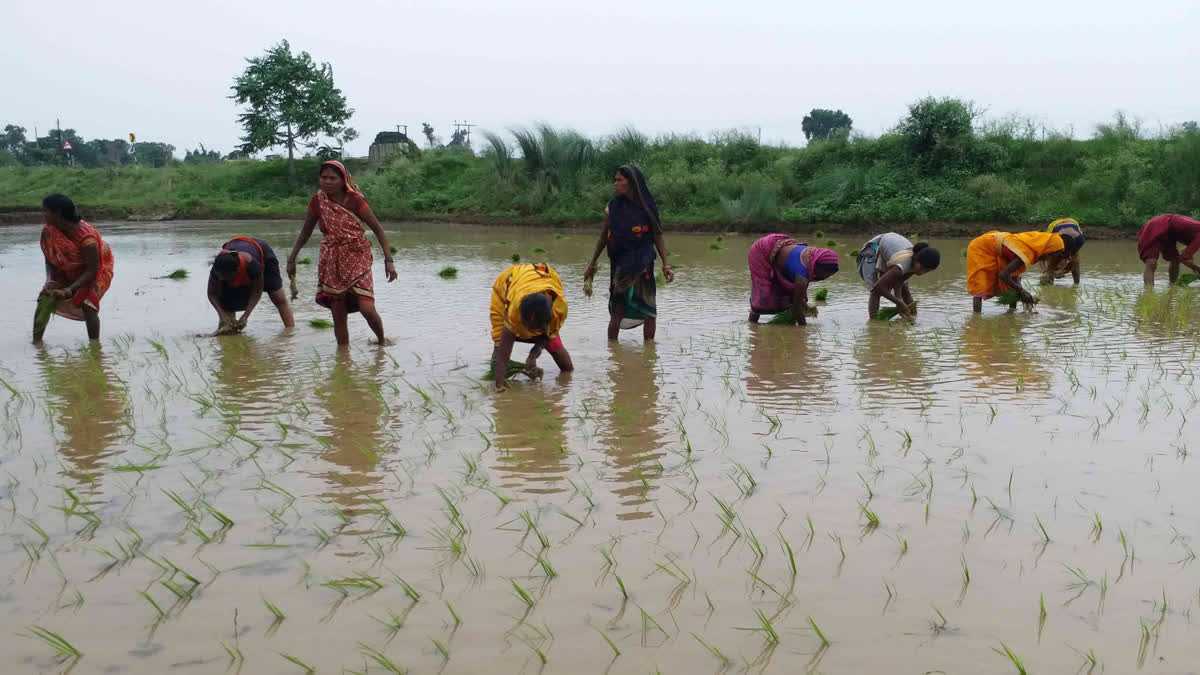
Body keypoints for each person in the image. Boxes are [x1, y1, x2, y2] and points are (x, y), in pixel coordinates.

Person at [285, 161, 397, 346]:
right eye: (323, 178)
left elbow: (378, 229)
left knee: (366, 307)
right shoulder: (317, 201)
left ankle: (381, 341)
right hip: (331, 259)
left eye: (332, 178)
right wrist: (292, 258)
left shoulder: (355, 200)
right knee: (338, 312)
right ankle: (343, 357)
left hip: (357, 255)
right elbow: (305, 232)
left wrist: (389, 260)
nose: (327, 182)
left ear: (342, 180)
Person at [583, 165, 673, 341]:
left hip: (643, 263)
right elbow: (604, 235)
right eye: (615, 180)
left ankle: (649, 352)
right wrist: (592, 263)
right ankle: (613, 355)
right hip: (620, 264)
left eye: (619, 180)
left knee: (649, 311)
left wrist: (666, 264)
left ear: (631, 182)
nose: (615, 184)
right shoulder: (613, 206)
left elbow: (657, 234)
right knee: (617, 311)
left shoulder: (647, 206)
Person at [34, 194, 115, 342]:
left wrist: (70, 289)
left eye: (45, 211)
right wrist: (50, 280)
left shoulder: (86, 237)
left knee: (88, 304)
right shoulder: (49, 232)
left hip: (97, 269)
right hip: (66, 268)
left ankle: (95, 348)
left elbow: (92, 270)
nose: (42, 214)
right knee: (45, 297)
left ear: (57, 213)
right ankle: (36, 343)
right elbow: (50, 259)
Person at [490, 263, 574, 391]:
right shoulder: (513, 311)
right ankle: (496, 378)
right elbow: (504, 352)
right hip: (508, 283)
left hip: (545, 277)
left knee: (565, 364)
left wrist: (533, 355)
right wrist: (498, 387)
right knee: (499, 347)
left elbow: (547, 334)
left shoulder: (558, 311)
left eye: (535, 328)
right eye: (525, 325)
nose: (528, 332)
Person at [965, 230, 1078, 312]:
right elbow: (1003, 275)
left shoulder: (1034, 249)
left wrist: (1022, 293)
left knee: (1013, 282)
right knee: (981, 286)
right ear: (1047, 249)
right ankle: (976, 320)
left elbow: (1013, 275)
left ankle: (1011, 313)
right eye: (1054, 254)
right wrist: (1022, 291)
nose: (1053, 257)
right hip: (982, 247)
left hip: (997, 246)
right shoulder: (1025, 253)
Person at [747, 234, 839, 325]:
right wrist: (803, 329)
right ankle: (752, 324)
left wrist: (802, 302)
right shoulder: (802, 276)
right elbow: (797, 308)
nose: (824, 278)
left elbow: (798, 294)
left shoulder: (813, 257)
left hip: (780, 249)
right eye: (825, 274)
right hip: (761, 251)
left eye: (830, 275)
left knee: (791, 295)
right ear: (818, 267)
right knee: (763, 295)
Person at [208, 236, 294, 333]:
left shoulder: (253, 266)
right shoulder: (217, 269)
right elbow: (211, 293)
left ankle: (290, 332)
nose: (221, 279)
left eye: (225, 277)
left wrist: (246, 316)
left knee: (278, 297)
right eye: (220, 276)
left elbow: (257, 291)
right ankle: (229, 334)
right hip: (233, 256)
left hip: (263, 253)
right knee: (226, 305)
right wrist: (222, 315)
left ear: (237, 270)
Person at [857, 233, 940, 319]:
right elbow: (878, 287)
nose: (923, 272)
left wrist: (899, 300)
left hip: (894, 250)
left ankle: (912, 316)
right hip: (874, 248)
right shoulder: (903, 264)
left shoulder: (915, 263)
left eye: (927, 271)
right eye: (923, 268)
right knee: (875, 292)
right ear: (916, 259)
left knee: (905, 288)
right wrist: (899, 303)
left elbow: (899, 281)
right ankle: (874, 323)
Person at [1137, 214, 1200, 286]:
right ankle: (1149, 293)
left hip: (1171, 234)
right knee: (1151, 262)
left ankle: (1172, 287)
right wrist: (1197, 269)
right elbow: (1185, 258)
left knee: (1175, 260)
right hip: (1157, 226)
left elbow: (1187, 255)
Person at [1040, 218, 1085, 285]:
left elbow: (1071, 256)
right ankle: (1048, 282)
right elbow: (1042, 255)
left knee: (1075, 262)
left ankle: (1076, 284)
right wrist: (1044, 271)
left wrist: (1062, 269)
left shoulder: (1080, 240)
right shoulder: (1053, 240)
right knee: (1051, 261)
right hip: (1055, 225)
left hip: (1073, 223)